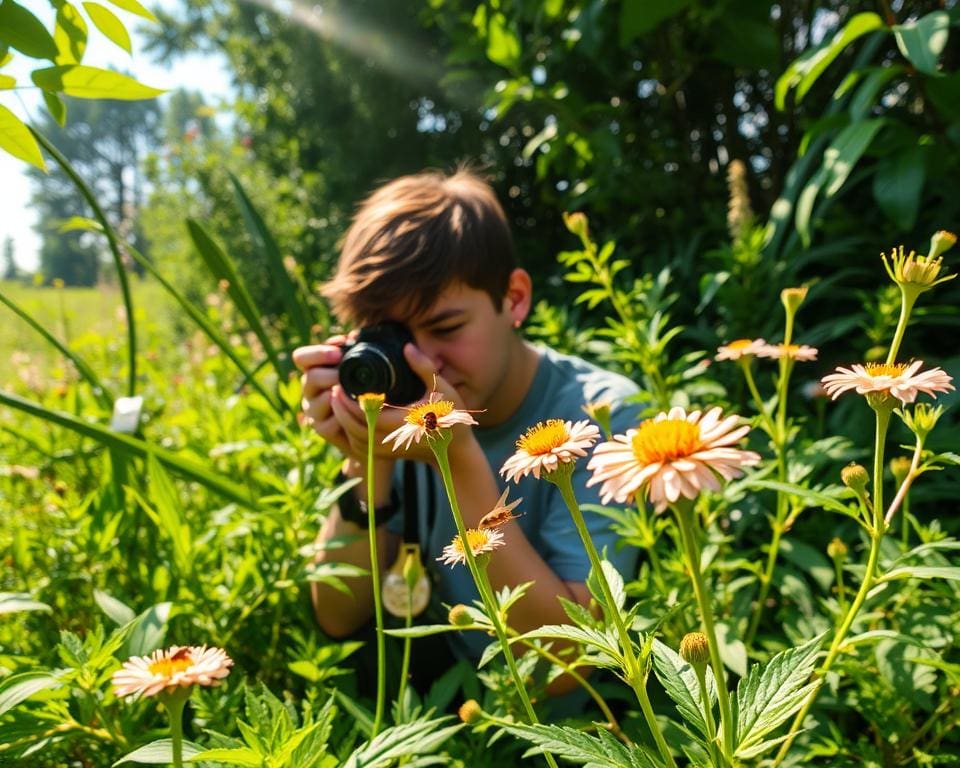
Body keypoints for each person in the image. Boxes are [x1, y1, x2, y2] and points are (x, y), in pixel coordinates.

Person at [292, 168, 640, 693]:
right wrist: (366, 459)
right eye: (393, 339)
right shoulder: (398, 406)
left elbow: (568, 665)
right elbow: (338, 616)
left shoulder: (603, 416)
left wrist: (456, 457)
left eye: (446, 328)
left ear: (514, 299)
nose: (421, 362)